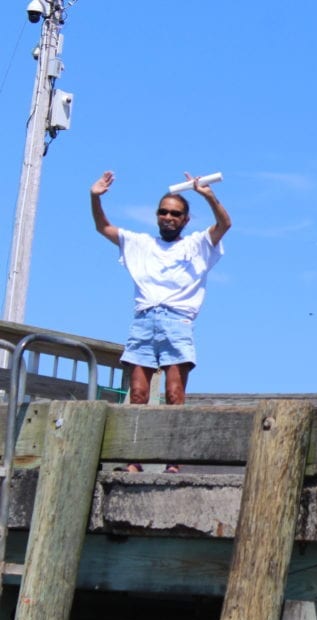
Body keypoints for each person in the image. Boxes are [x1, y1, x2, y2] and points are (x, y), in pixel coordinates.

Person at [91, 170, 231, 472]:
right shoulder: (141, 243)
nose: (168, 217)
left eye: (175, 213)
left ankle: (173, 460)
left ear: (185, 219)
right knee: (138, 394)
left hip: (177, 320)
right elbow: (103, 227)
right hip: (143, 320)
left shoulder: (196, 245)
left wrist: (208, 196)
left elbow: (224, 224)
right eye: (164, 212)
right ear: (157, 216)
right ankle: (134, 460)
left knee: (173, 394)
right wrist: (95, 197)